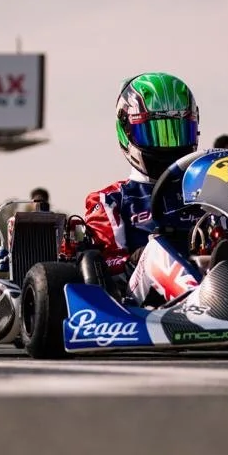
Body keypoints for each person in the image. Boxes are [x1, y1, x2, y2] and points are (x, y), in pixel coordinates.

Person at [83, 71, 206, 306]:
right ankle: (198, 305)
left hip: (212, 280)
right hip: (135, 297)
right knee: (156, 249)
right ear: (126, 130)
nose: (168, 146)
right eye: (156, 133)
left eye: (178, 132)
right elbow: (108, 264)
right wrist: (141, 254)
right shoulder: (111, 200)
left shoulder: (205, 192)